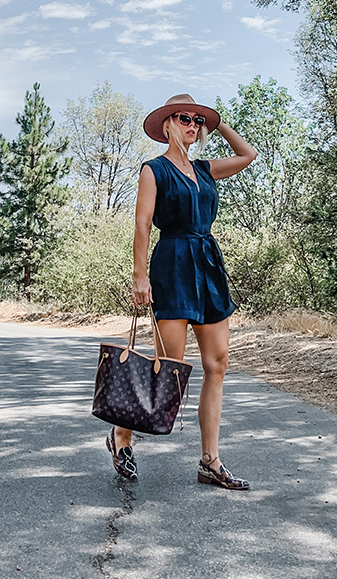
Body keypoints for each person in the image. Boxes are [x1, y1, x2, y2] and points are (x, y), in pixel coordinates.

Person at [106, 93, 257, 490]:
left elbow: (248, 155)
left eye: (197, 121)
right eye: (185, 118)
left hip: (207, 263)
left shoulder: (205, 170)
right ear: (168, 125)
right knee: (168, 364)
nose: (193, 125)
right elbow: (142, 225)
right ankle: (122, 436)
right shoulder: (153, 170)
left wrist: (217, 121)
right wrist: (140, 277)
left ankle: (211, 461)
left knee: (217, 364)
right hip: (172, 263)